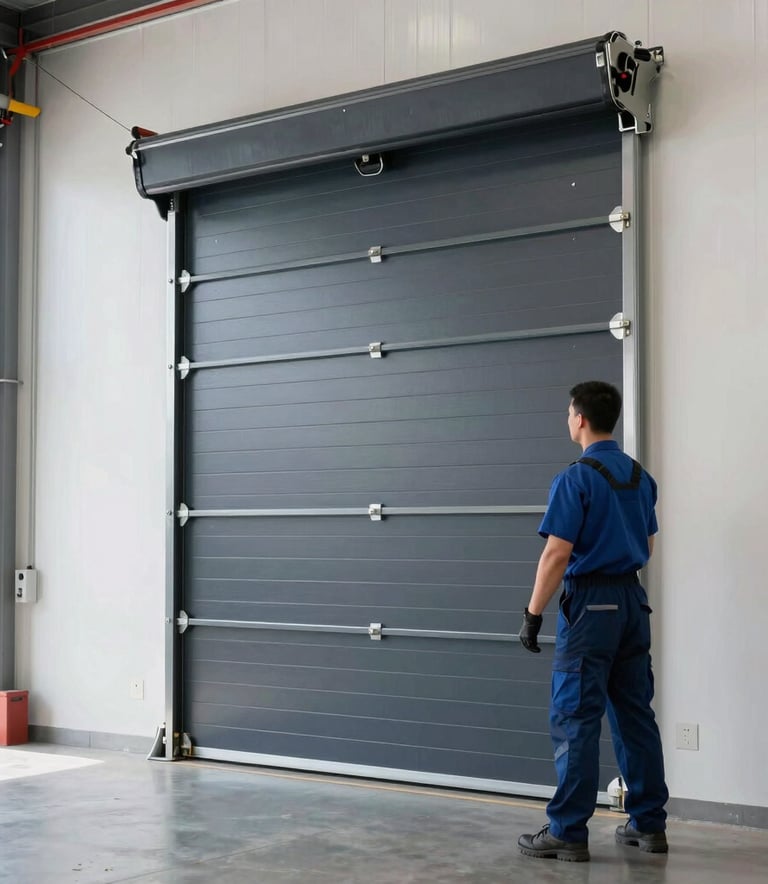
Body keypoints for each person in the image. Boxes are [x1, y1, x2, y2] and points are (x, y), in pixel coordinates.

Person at [517, 380, 669, 863]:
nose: (567, 419)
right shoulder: (641, 477)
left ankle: (567, 831)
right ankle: (649, 825)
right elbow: (646, 543)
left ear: (580, 418)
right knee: (635, 714)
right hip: (631, 602)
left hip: (591, 607)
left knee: (575, 718)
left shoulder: (575, 478)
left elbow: (556, 553)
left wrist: (533, 614)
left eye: (568, 413)